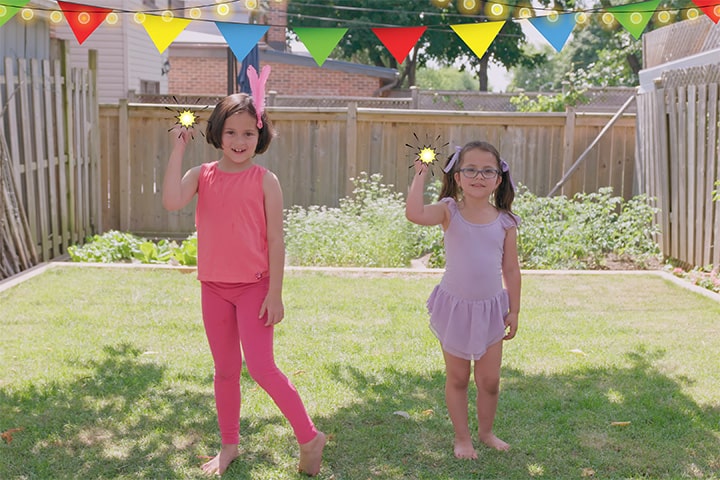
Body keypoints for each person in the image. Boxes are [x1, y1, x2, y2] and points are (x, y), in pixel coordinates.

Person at [161, 66, 325, 476]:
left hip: (255, 288)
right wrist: (179, 149)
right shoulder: (202, 175)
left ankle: (309, 436)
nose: (239, 141)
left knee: (261, 367)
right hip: (213, 288)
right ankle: (229, 445)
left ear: (260, 136)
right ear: (217, 133)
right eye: (231, 132)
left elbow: (275, 242)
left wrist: (276, 293)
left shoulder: (265, 180)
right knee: (225, 371)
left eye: (248, 133)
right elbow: (170, 201)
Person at [405, 140, 521, 459]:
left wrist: (515, 310)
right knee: (457, 378)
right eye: (470, 169)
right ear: (458, 176)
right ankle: (462, 438)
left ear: (498, 179)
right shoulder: (449, 210)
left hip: (491, 310)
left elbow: (511, 269)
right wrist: (419, 176)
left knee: (490, 381)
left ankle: (486, 433)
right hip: (455, 307)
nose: (478, 176)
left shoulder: (505, 221)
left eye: (487, 171)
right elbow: (414, 213)